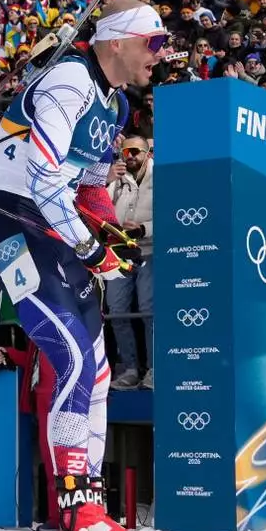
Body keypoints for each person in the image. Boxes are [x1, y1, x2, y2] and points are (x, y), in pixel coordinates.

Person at [0, 0, 164, 531]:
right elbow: (42, 172)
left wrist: (109, 230)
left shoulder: (117, 103)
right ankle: (82, 518)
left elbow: (90, 188)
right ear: (117, 43)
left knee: (98, 373)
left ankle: (85, 518)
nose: (161, 53)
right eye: (152, 42)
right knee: (75, 362)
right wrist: (88, 244)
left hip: (54, 233)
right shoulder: (69, 80)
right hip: (14, 229)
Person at [106, 135, 156, 390]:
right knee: (117, 312)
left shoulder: (161, 176)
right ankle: (129, 369)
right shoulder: (117, 179)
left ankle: (154, 369)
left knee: (149, 310)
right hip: (120, 254)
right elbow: (98, 210)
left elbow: (176, 215)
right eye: (126, 152)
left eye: (135, 152)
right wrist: (108, 181)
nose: (130, 156)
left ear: (147, 153)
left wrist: (143, 230)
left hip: (149, 251)